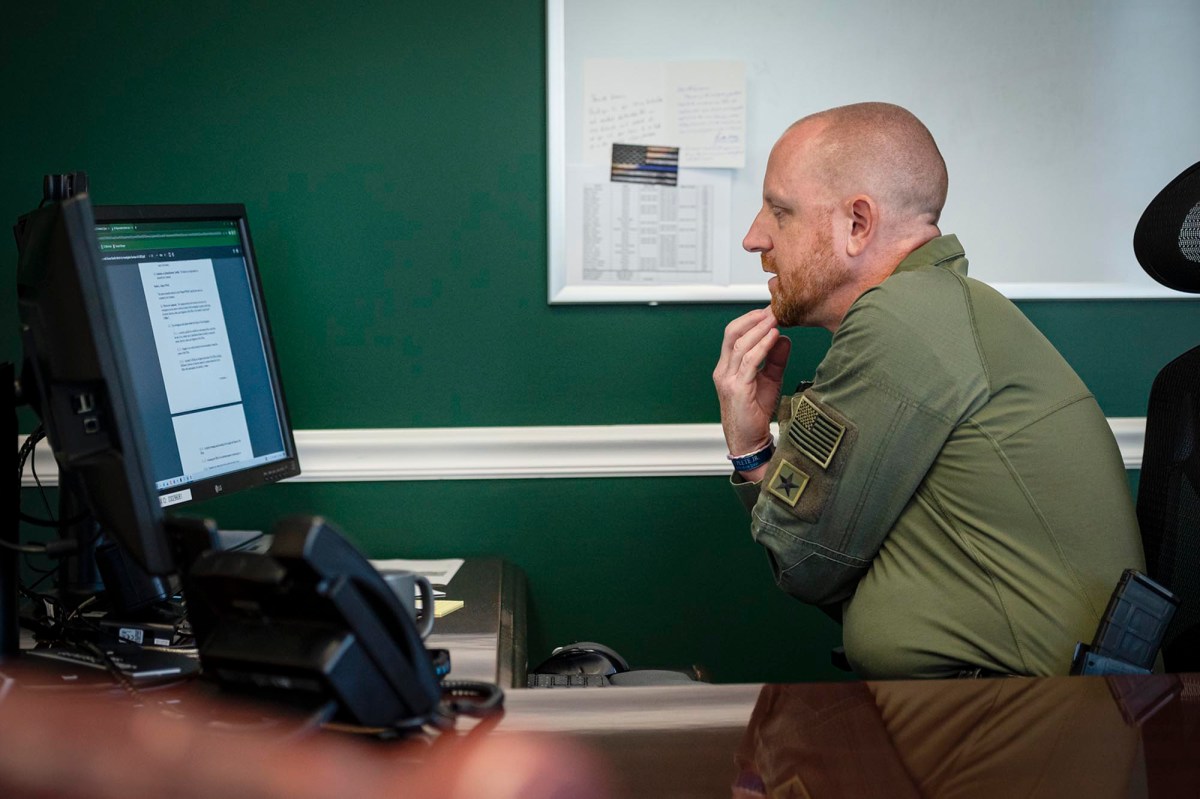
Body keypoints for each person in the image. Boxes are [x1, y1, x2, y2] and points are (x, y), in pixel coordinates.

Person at [713, 102, 1146, 679]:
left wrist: (749, 447)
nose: (753, 237)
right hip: (1000, 720)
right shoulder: (935, 310)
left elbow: (806, 561)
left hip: (1013, 728)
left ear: (858, 224)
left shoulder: (903, 317)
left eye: (780, 211)